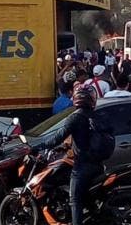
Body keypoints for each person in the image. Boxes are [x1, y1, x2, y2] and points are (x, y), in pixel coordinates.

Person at [33, 85, 102, 225]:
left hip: (82, 166)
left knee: (75, 199)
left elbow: (56, 138)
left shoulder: (75, 118)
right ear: (93, 99)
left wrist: (38, 146)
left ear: (76, 98)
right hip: (99, 165)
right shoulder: (97, 116)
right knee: (85, 197)